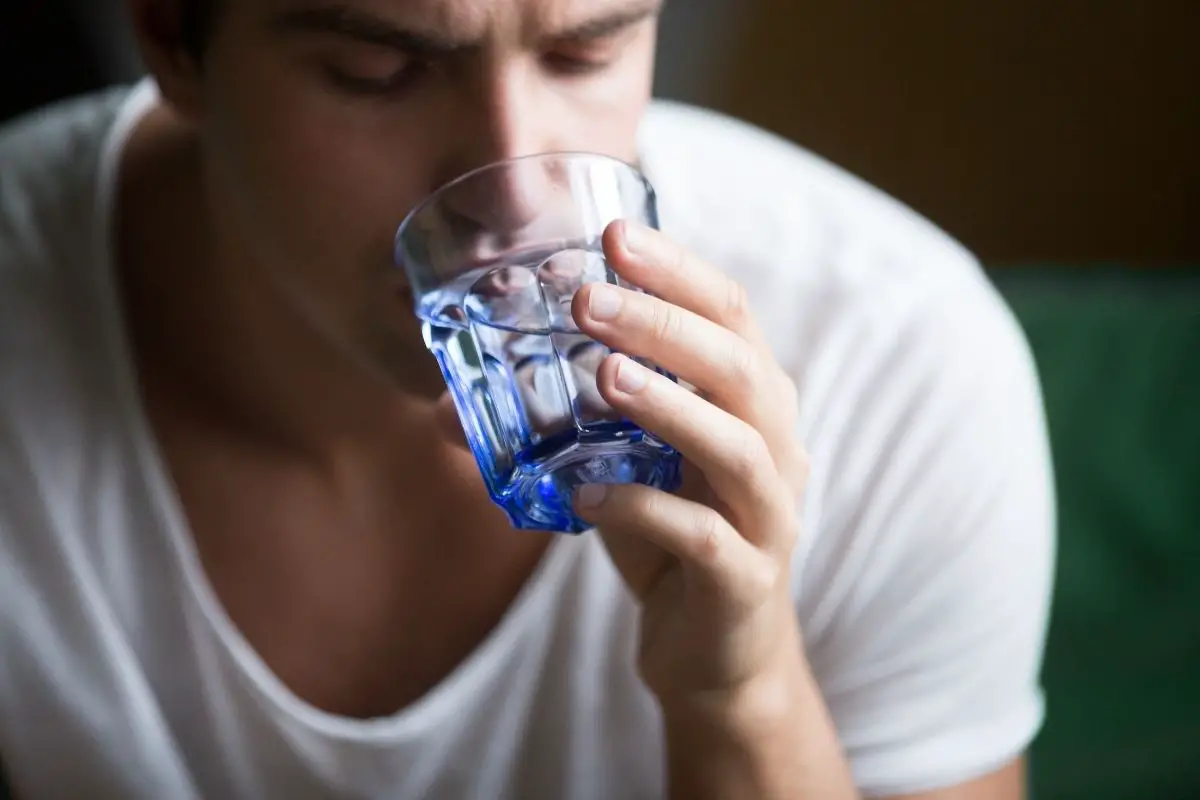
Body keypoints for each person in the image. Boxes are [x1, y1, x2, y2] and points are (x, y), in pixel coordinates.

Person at [0, 1, 1055, 798]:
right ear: (174, 42)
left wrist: (744, 694)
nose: (515, 189)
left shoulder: (897, 364)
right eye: (380, 70)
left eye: (586, 52)